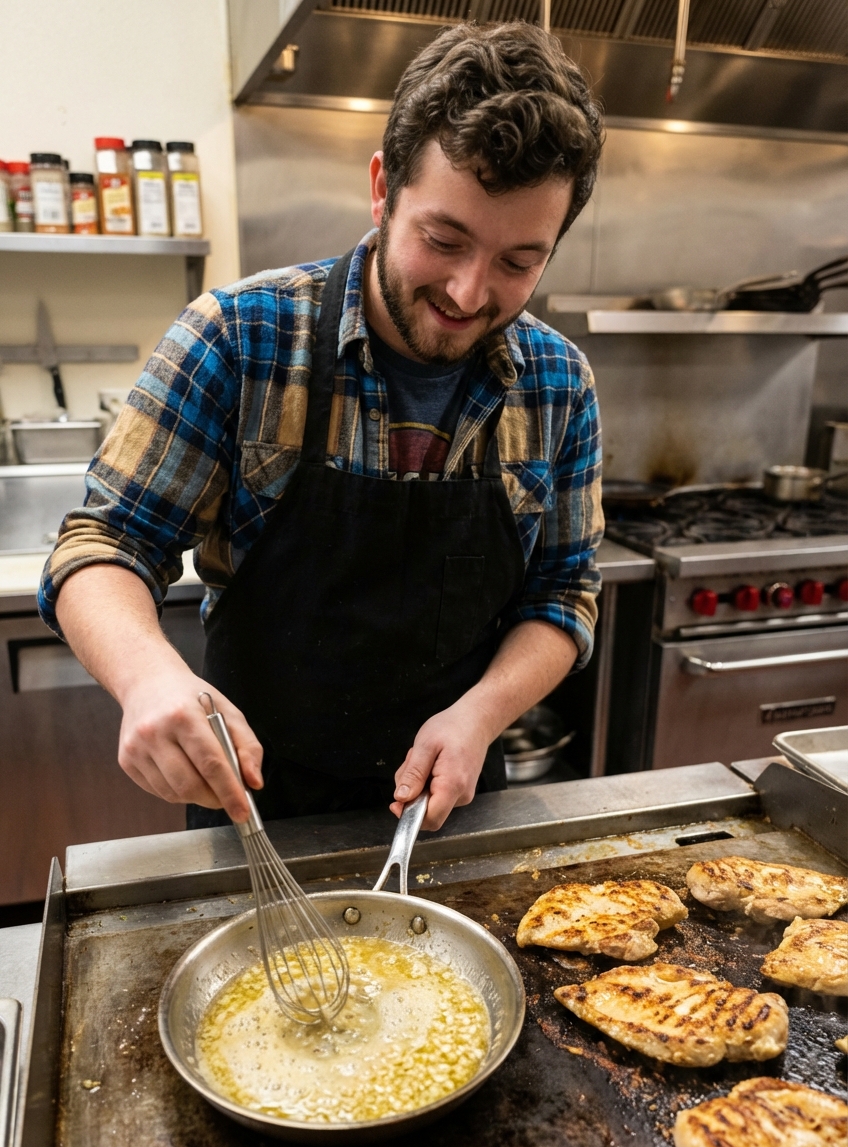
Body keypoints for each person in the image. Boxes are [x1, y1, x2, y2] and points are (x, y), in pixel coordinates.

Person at [38, 21, 605, 836]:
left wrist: (484, 713)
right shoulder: (239, 338)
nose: (470, 292)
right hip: (255, 808)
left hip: (450, 806)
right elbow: (103, 544)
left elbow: (564, 593)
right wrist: (149, 678)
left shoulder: (559, 385)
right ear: (383, 189)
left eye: (519, 262)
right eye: (443, 240)